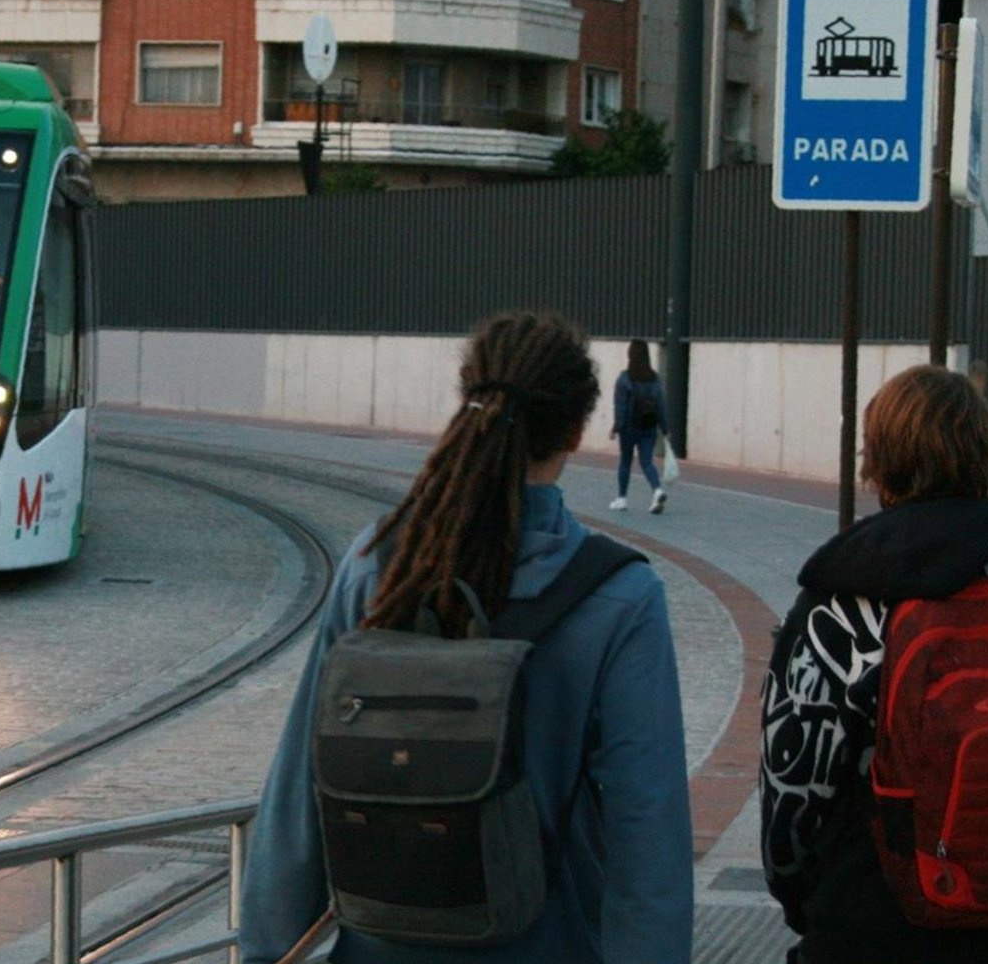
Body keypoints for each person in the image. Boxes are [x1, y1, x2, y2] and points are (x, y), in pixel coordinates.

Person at [239, 311, 693, 964]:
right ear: (574, 429)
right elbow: (646, 835)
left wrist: (266, 948)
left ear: (470, 405)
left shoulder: (378, 564)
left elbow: (299, 788)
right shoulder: (619, 597)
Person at [760, 365, 988, 964]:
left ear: (878, 462)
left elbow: (793, 785)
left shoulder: (842, 602)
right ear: (986, 452)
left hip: (868, 920)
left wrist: (806, 900)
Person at [607, 339, 669, 514]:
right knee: (647, 461)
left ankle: (622, 499)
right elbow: (660, 404)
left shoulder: (624, 379)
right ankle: (657, 490)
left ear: (630, 354)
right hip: (649, 426)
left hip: (629, 427)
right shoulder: (654, 378)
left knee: (625, 461)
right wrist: (665, 428)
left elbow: (620, 406)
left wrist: (616, 427)